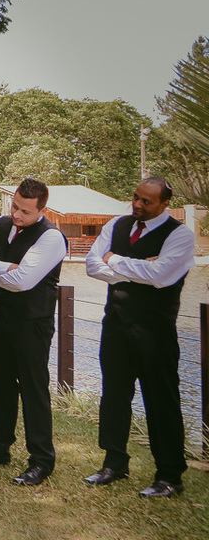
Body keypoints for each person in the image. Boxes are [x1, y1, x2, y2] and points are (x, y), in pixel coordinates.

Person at [84, 177, 195, 498]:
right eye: (136, 197)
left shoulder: (180, 235)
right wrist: (136, 268)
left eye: (146, 201)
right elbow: (91, 265)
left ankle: (169, 476)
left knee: (161, 402)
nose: (137, 204)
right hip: (115, 327)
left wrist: (113, 260)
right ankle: (114, 464)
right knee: (114, 397)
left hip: (155, 334)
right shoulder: (116, 225)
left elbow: (159, 275)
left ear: (164, 204)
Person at [0, 177, 66, 487]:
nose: (17, 215)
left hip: (33, 323)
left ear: (42, 210)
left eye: (25, 212)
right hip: (1, 318)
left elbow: (23, 281)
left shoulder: (52, 238)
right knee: (0, 384)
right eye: (15, 207)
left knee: (33, 390)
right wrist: (7, 268)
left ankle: (41, 460)